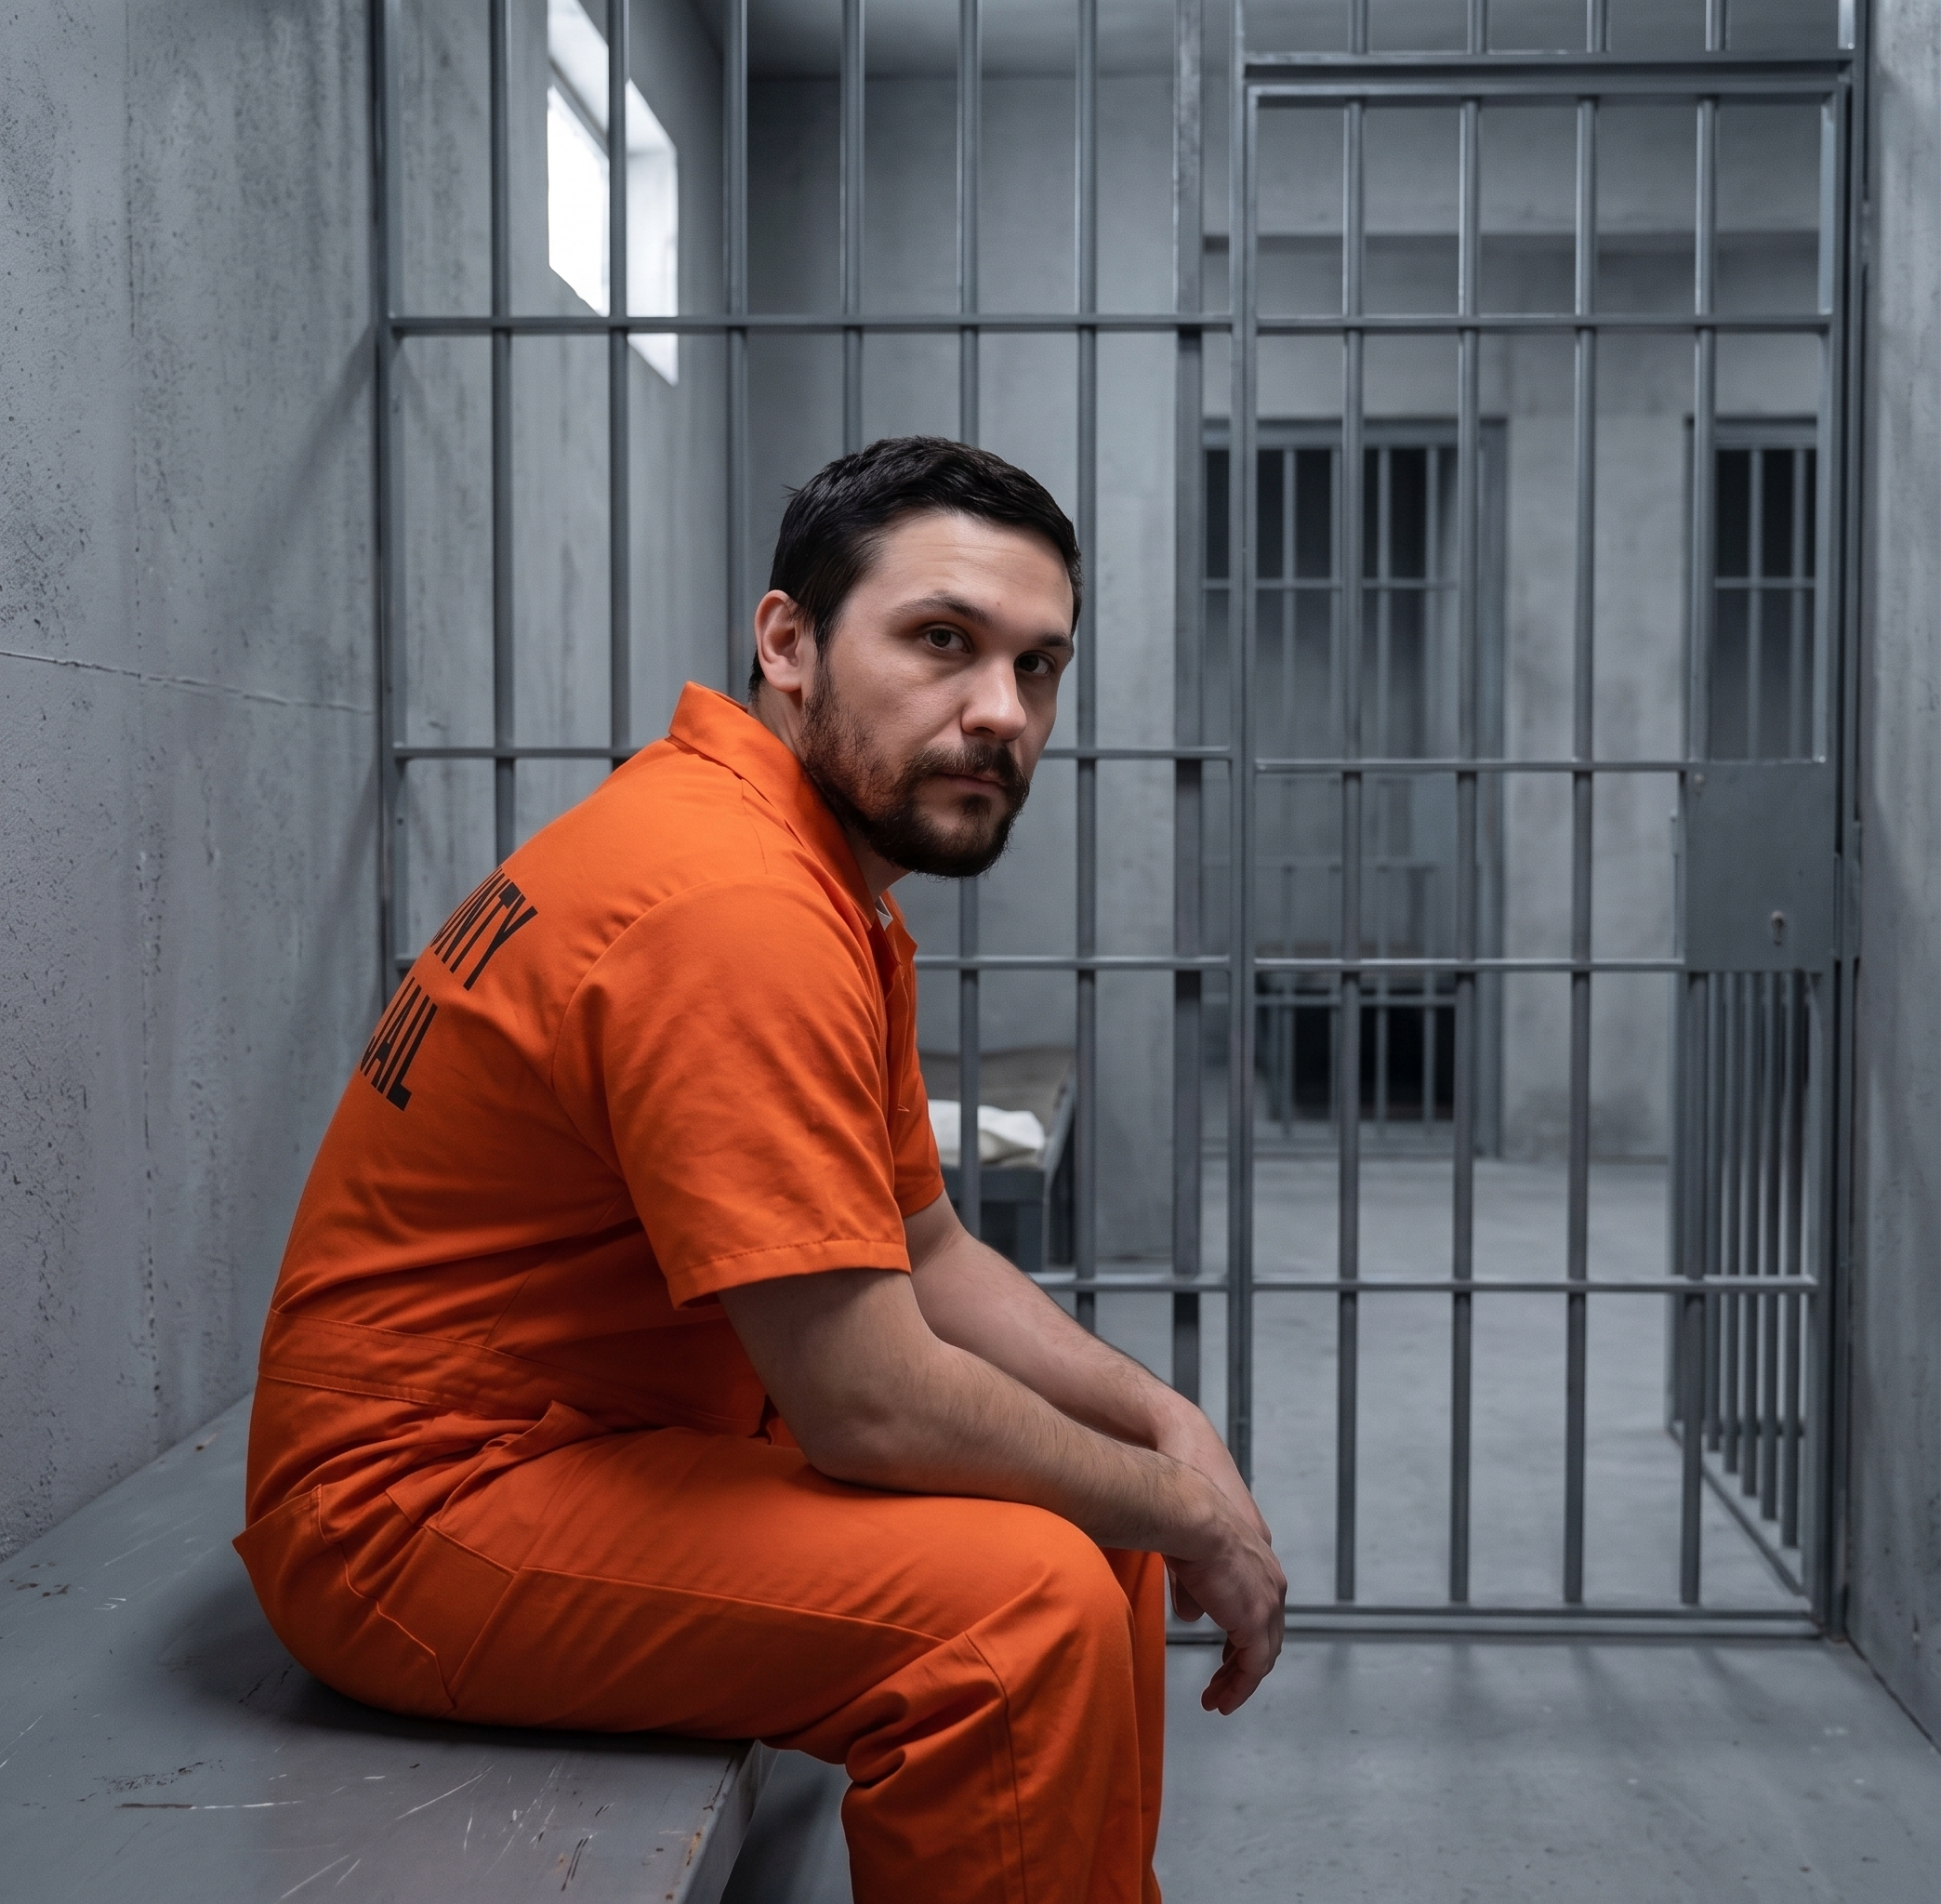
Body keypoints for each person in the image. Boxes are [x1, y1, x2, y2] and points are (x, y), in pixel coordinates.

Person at [236, 435, 1285, 1904]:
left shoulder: (808, 873)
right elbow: (863, 1403)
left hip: (583, 1439)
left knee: (1093, 1526)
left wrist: (1168, 1432)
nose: (999, 712)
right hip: (414, 1515)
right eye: (940, 641)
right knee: (1020, 1613)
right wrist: (1192, 1514)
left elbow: (926, 1252)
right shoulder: (734, 905)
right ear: (786, 641)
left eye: (1038, 667)